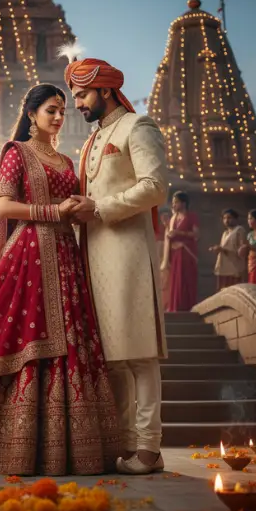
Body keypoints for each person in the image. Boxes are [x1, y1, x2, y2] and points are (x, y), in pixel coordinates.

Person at [0, 83, 119, 475]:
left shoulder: (68, 161)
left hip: (67, 260)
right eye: (51, 109)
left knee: (72, 340)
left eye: (63, 110)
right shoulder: (16, 152)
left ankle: (72, 449)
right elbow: (3, 206)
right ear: (31, 114)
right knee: (23, 340)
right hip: (30, 258)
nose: (59, 116)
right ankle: (7, 448)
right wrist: (52, 212)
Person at [64, 55, 170, 475]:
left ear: (105, 90)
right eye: (73, 96)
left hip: (127, 255)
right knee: (113, 356)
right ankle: (128, 445)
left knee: (140, 353)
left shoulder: (136, 126)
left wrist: (100, 207)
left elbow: (155, 187)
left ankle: (150, 448)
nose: (76, 104)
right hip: (93, 257)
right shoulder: (92, 140)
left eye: (82, 94)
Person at [164, 191, 199, 311]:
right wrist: (169, 234)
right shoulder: (173, 219)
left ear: (184, 203)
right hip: (175, 253)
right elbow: (169, 234)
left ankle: (187, 307)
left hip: (187, 253)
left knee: (186, 279)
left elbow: (196, 235)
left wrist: (179, 233)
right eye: (173, 203)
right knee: (175, 280)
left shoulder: (191, 216)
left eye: (176, 202)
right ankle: (175, 306)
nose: (173, 205)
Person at [210, 209, 246, 291]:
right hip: (223, 268)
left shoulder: (239, 230)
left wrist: (222, 250)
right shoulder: (225, 233)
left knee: (233, 293)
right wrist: (217, 249)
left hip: (234, 269)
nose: (226, 220)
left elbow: (241, 251)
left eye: (229, 218)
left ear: (236, 219)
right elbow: (223, 248)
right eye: (224, 218)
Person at [156, 207, 173, 308]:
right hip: (161, 263)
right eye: (162, 218)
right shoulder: (158, 232)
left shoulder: (171, 229)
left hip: (168, 263)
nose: (164, 220)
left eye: (166, 217)